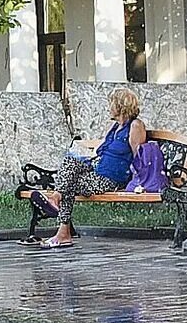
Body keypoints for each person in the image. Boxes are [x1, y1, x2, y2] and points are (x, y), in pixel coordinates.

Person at [37, 88, 148, 249]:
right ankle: (58, 206)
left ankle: (63, 229)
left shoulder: (135, 126)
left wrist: (137, 183)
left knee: (68, 183)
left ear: (120, 105)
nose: (109, 107)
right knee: (70, 163)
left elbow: (139, 156)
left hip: (112, 178)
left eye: (111, 103)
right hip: (97, 171)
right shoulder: (115, 127)